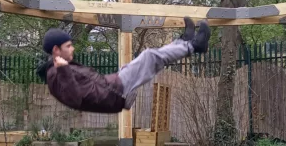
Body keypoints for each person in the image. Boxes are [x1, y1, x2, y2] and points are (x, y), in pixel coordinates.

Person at [36, 17, 210, 113]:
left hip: (112, 85)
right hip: (114, 93)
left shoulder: (61, 68)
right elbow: (75, 99)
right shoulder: (55, 75)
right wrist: (64, 69)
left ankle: (183, 42)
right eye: (68, 46)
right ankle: (193, 46)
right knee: (149, 57)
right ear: (56, 50)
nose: (72, 48)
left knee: (147, 57)